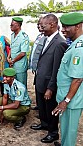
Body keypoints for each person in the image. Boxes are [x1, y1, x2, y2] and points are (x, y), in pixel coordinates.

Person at [30, 14, 68, 143]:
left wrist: (51, 88)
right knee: (42, 106)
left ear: (52, 24)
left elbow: (57, 68)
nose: (41, 28)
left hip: (48, 84)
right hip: (41, 80)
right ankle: (44, 124)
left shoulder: (59, 43)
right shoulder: (46, 38)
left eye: (43, 25)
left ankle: (53, 132)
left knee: (51, 109)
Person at [52, 12, 83, 146]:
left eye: (66, 27)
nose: (63, 30)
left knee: (70, 130)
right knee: (64, 127)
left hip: (72, 100)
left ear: (78, 26)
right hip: (66, 95)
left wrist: (66, 101)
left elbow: (77, 79)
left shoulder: (79, 49)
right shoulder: (74, 44)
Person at [28, 17, 47, 110]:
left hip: (43, 69)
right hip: (37, 69)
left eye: (40, 24)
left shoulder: (47, 38)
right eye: (38, 24)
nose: (38, 26)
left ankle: (43, 110)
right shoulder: (39, 36)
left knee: (43, 89)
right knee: (37, 88)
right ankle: (39, 106)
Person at [8, 17, 29, 88]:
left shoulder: (23, 36)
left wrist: (13, 61)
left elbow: (23, 53)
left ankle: (23, 99)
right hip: (13, 65)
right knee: (14, 85)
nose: (10, 26)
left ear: (18, 25)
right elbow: (12, 48)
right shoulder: (12, 35)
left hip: (20, 66)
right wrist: (8, 57)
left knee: (21, 86)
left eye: (12, 25)